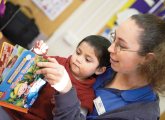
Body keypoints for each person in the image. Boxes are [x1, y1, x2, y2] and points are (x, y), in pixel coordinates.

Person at [36, 14, 165, 120]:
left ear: (147, 59)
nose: (110, 48)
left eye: (121, 45)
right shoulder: (110, 64)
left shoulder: (140, 114)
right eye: (114, 38)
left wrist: (66, 92)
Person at [2, 35, 111, 120]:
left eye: (87, 59)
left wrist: (59, 104)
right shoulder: (58, 62)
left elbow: (73, 116)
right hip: (9, 108)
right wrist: (35, 54)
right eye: (78, 53)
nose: (78, 59)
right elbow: (30, 68)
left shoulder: (87, 96)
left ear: (99, 70)